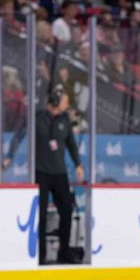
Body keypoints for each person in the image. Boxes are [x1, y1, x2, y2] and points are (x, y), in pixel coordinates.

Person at [34, 86, 84, 264]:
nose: (67, 104)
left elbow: (71, 144)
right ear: (54, 102)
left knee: (66, 210)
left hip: (60, 173)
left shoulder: (65, 120)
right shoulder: (37, 118)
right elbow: (20, 136)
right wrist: (8, 158)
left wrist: (78, 164)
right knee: (40, 215)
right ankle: (40, 254)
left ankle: (64, 252)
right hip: (40, 173)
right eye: (64, 101)